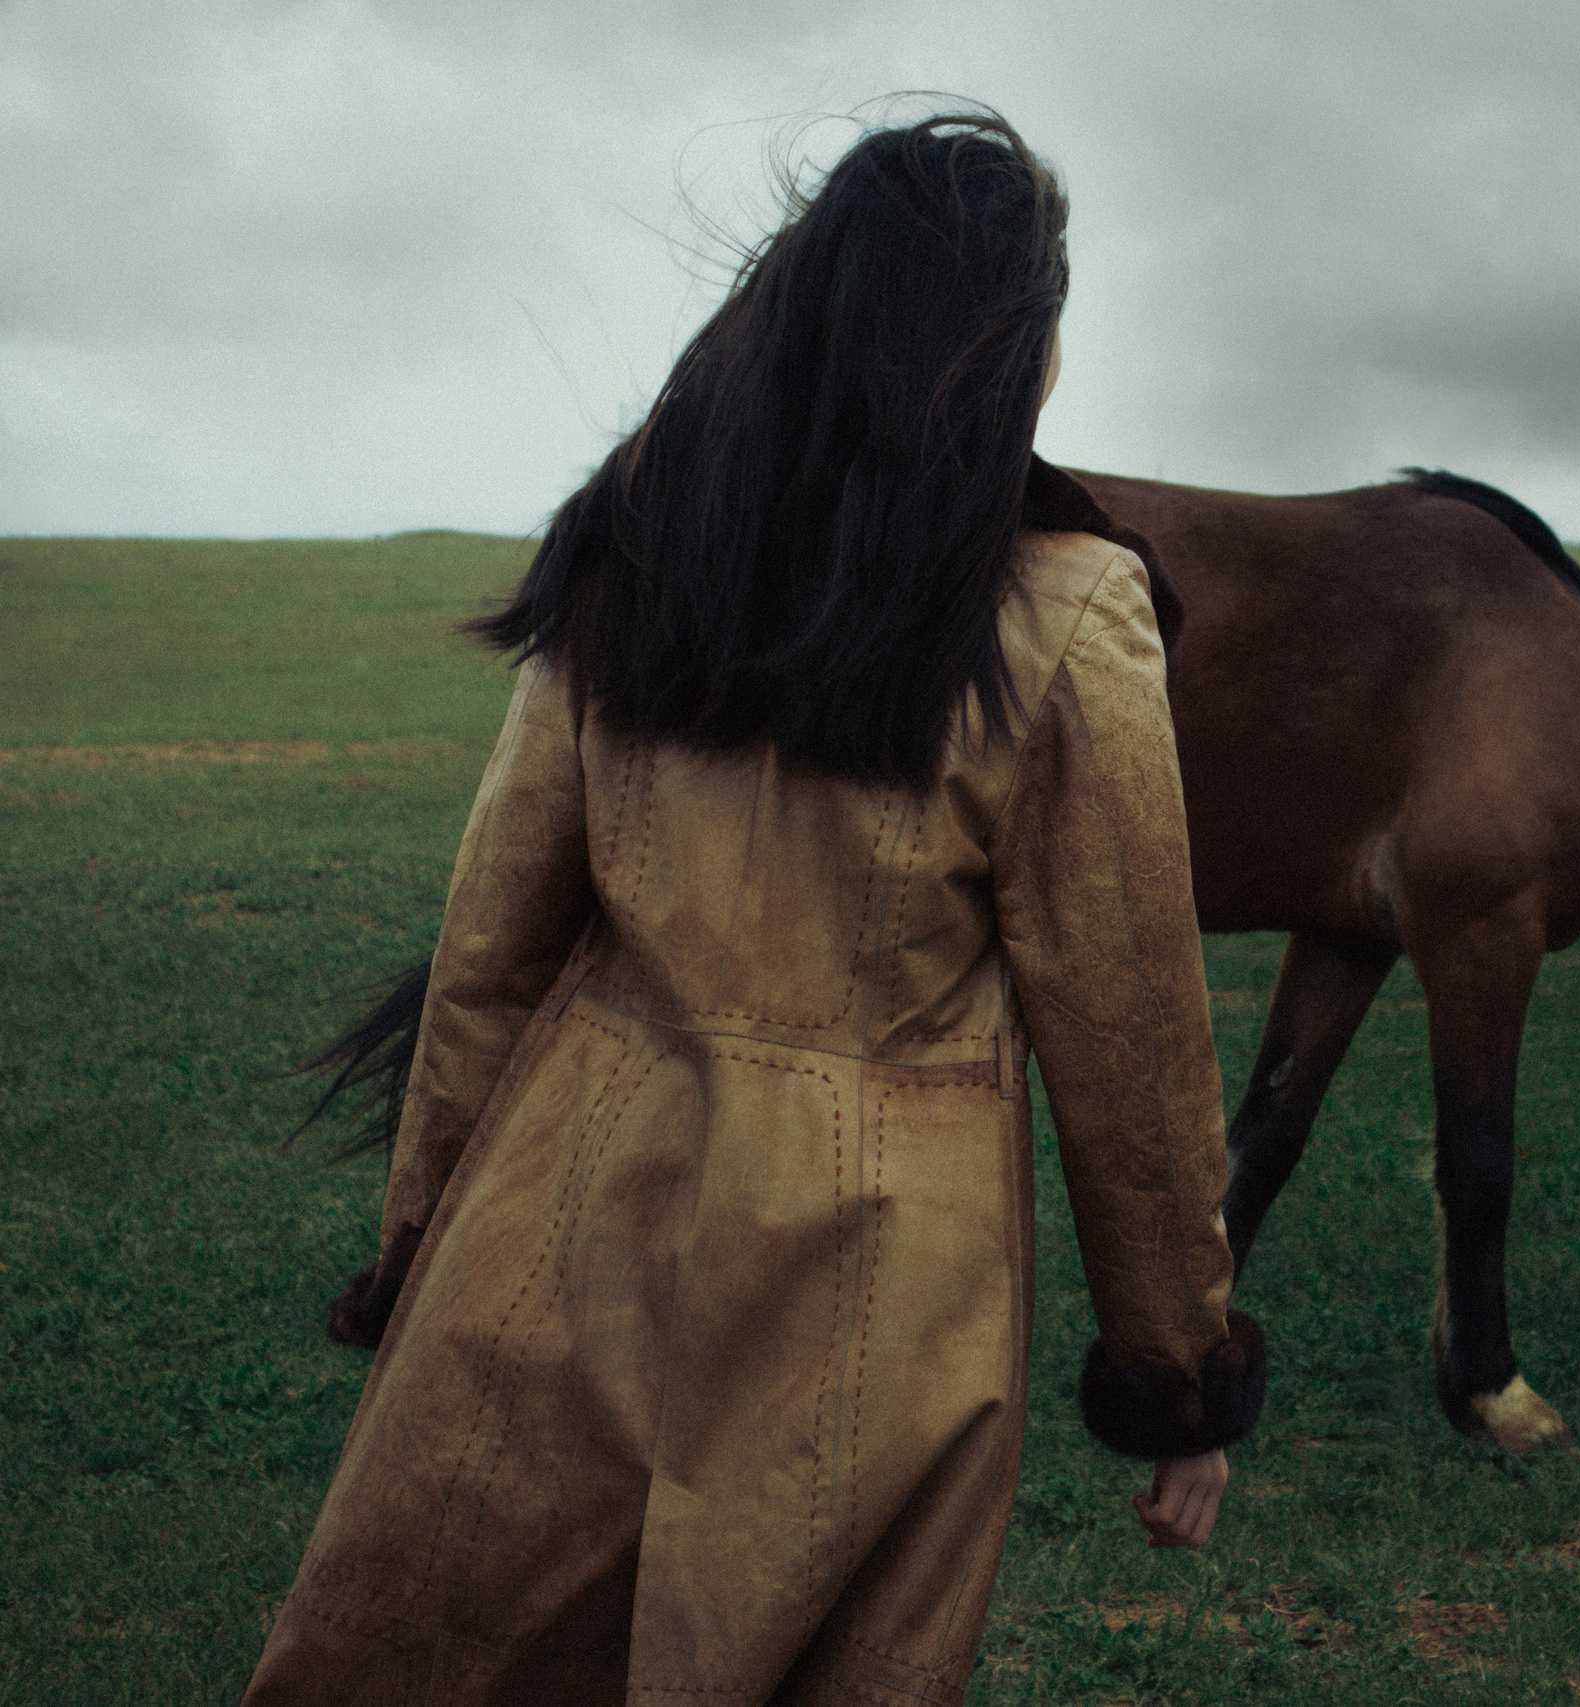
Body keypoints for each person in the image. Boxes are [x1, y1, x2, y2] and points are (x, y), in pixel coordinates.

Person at [243, 110, 1263, 1706]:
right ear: (1007, 344)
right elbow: (1128, 1038)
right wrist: (1178, 1372)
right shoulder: (1071, 612)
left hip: (564, 1216)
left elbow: (491, 950)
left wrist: (422, 1245)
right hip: (877, 1288)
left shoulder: (647, 537)